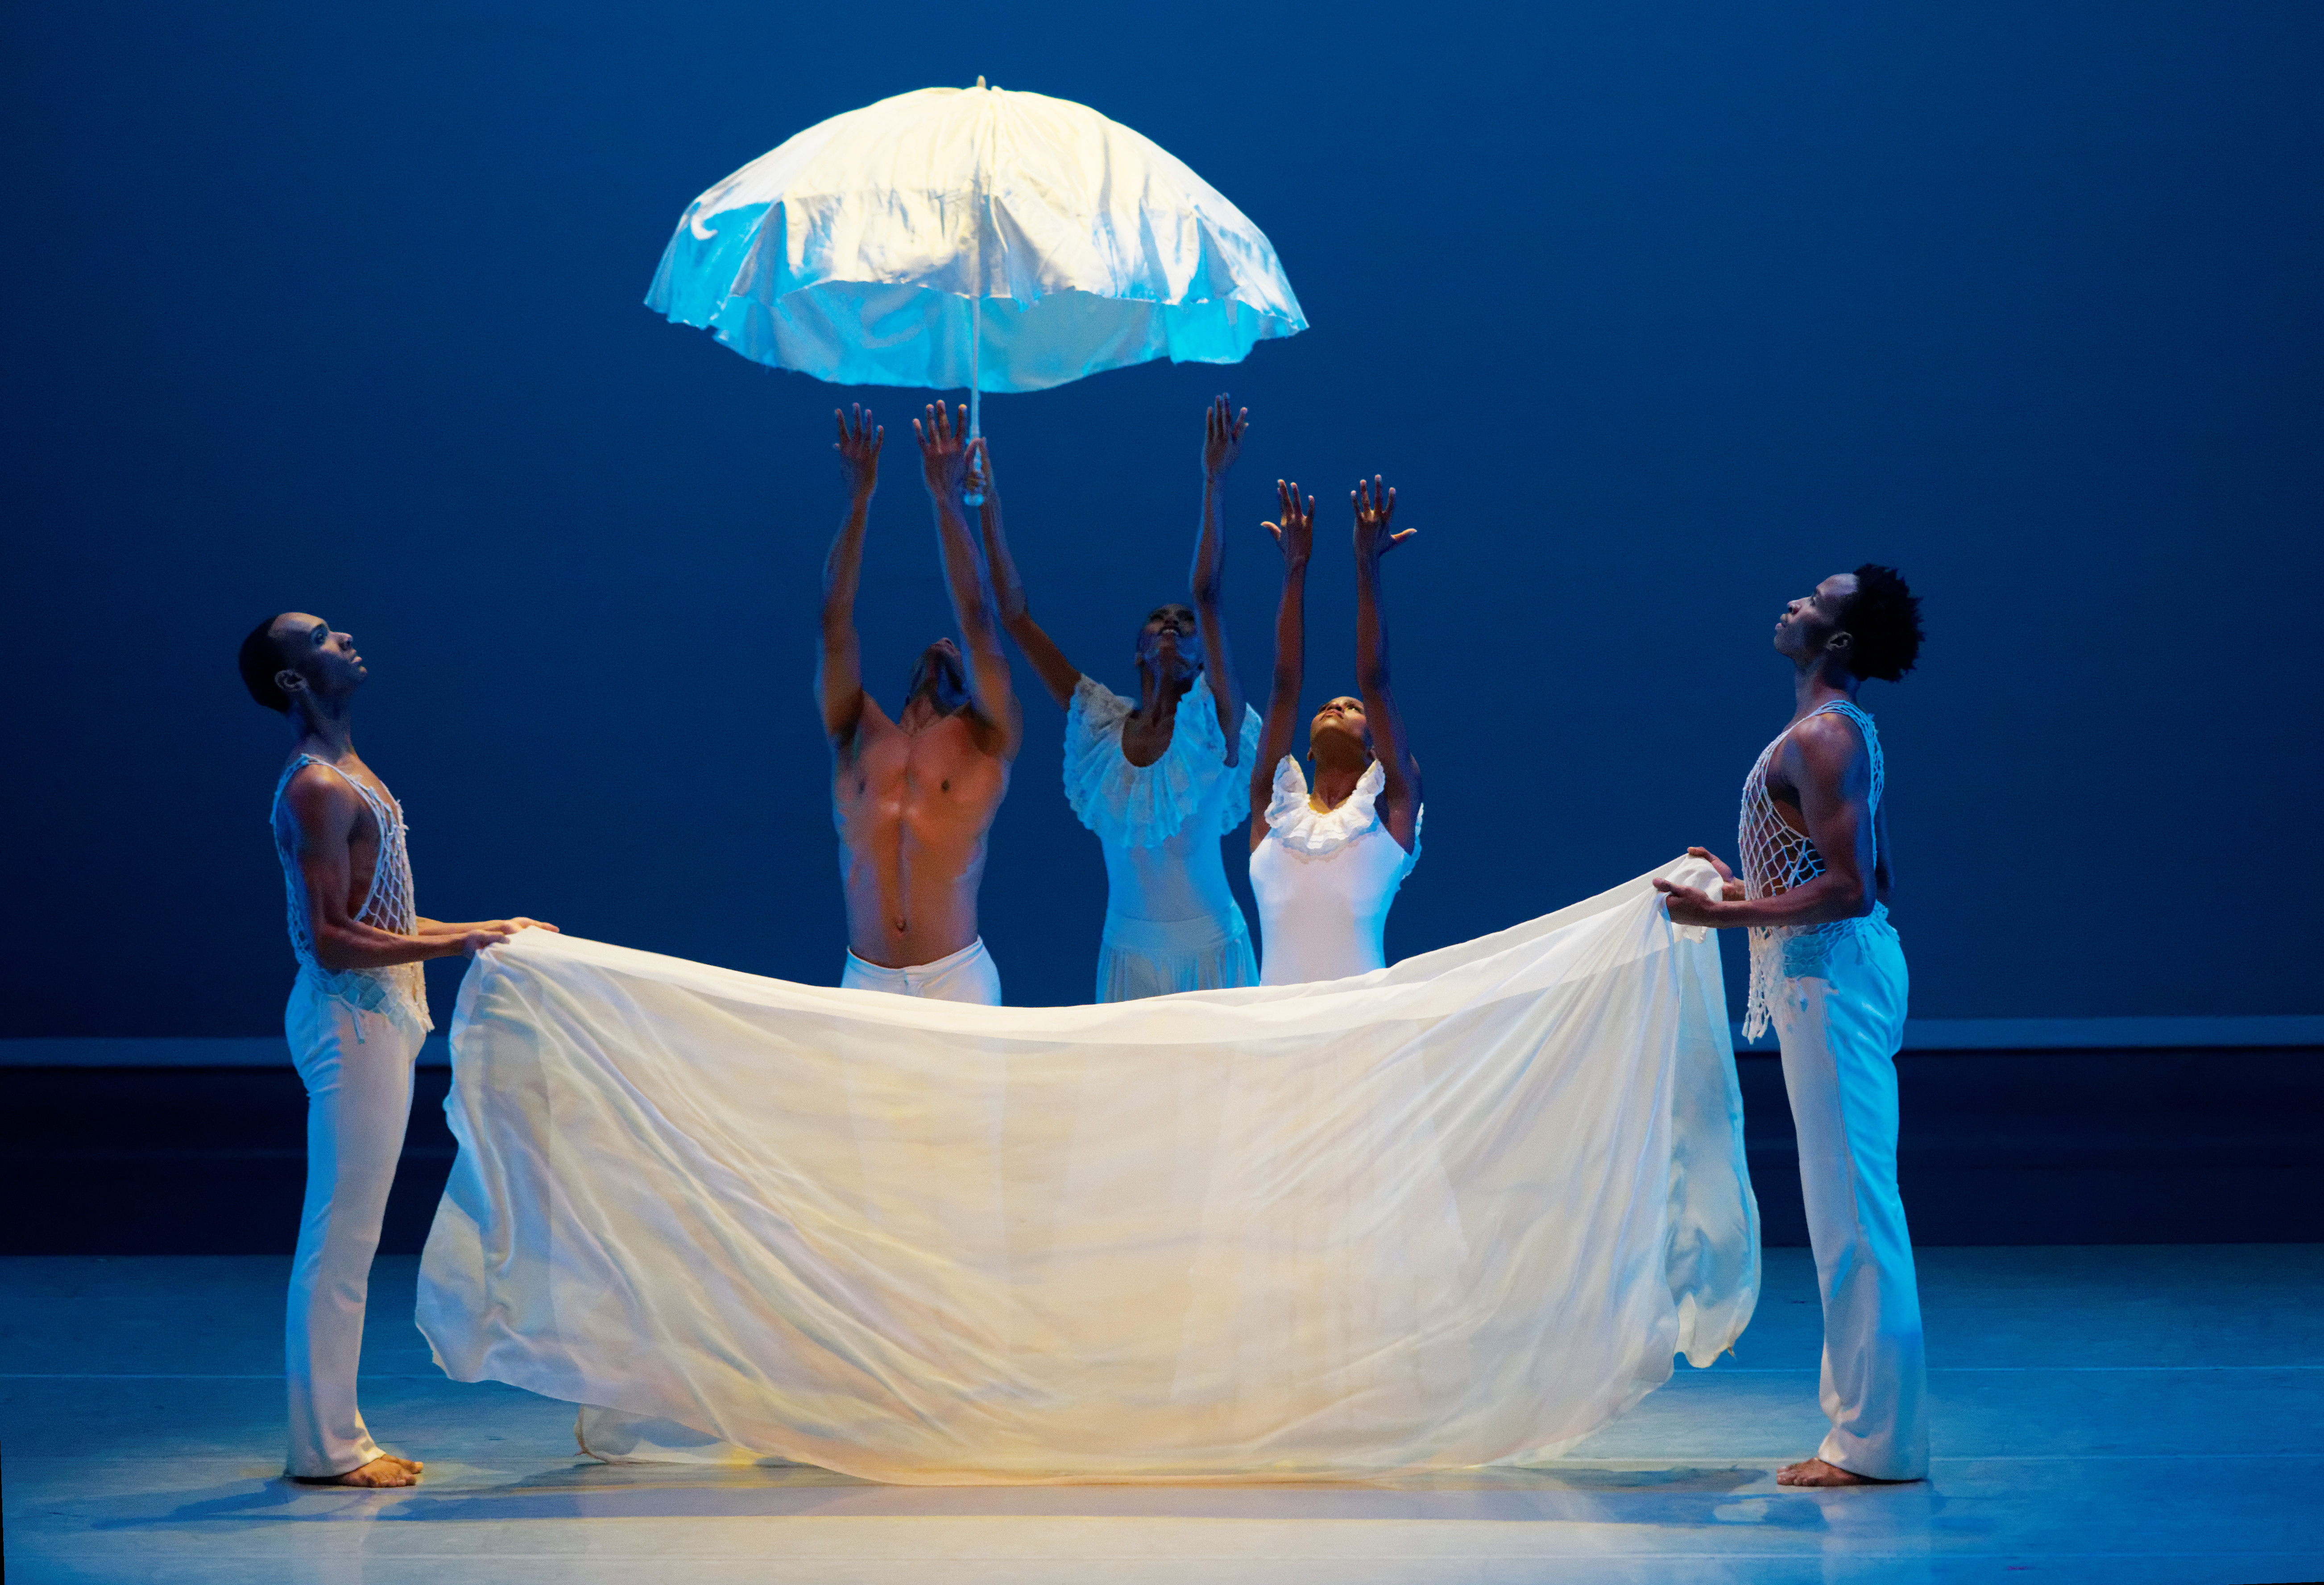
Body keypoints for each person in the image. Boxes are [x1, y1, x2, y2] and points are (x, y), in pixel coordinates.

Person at [239, 612, 554, 1488]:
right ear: (293, 680)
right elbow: (333, 940)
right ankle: (327, 1448)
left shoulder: (349, 772)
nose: (343, 639)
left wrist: (484, 929)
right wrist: (457, 946)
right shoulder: (317, 787)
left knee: (351, 1232)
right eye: (320, 638)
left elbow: (379, 915)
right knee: (341, 1236)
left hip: (380, 1017)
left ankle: (330, 1439)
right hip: (353, 1024)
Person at [1654, 564, 1927, 1488]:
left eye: (1812, 600)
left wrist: (1726, 915)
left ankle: (1874, 1446)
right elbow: (1858, 874)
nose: (1791, 604)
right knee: (1846, 1209)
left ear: (1837, 640)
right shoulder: (1831, 731)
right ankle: (1863, 1431)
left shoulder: (1824, 734)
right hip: (1830, 976)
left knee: (1855, 1212)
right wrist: (1743, 887)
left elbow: (1850, 889)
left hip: (1833, 981)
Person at [974, 395, 1263, 1000]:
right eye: (1159, 619)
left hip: (1211, 950)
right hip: (1125, 954)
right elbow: (1015, 615)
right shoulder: (1101, 728)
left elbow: (1207, 592)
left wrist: (1214, 482)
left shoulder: (1217, 723)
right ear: (1137, 650)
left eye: (1184, 624)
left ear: (1204, 658)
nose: (1171, 624)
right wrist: (988, 503)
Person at [820, 402, 1020, 1004]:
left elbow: (977, 618)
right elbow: (834, 622)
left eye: (956, 651)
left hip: (956, 977)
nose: (945, 644)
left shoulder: (986, 736)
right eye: (934, 647)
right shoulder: (857, 729)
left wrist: (944, 499)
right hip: (867, 979)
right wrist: (859, 502)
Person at [1244, 476, 1422, 984]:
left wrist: (1367, 566)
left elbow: (1375, 678)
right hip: (1273, 1024)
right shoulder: (1272, 807)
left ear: (1374, 749)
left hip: (1363, 1022)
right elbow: (1284, 684)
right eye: (1326, 706)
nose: (1334, 708)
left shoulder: (1390, 807)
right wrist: (1294, 568)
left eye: (1350, 708)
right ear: (1306, 750)